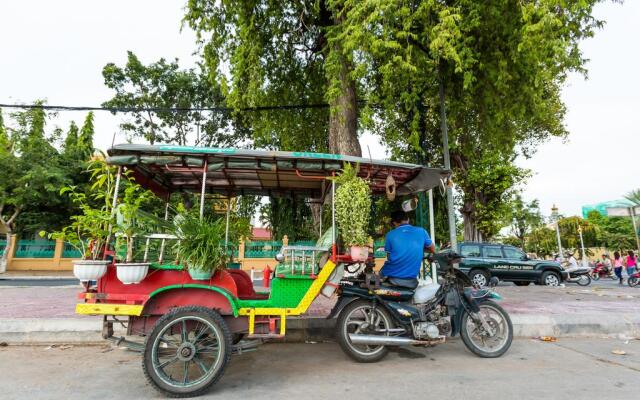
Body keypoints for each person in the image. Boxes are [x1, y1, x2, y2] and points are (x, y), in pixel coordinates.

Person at [380, 210, 436, 289]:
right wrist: (419, 248)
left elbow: (389, 257)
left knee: (376, 278)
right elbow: (433, 250)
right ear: (408, 219)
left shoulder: (390, 235)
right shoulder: (421, 231)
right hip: (412, 277)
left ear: (394, 223)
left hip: (392, 275)